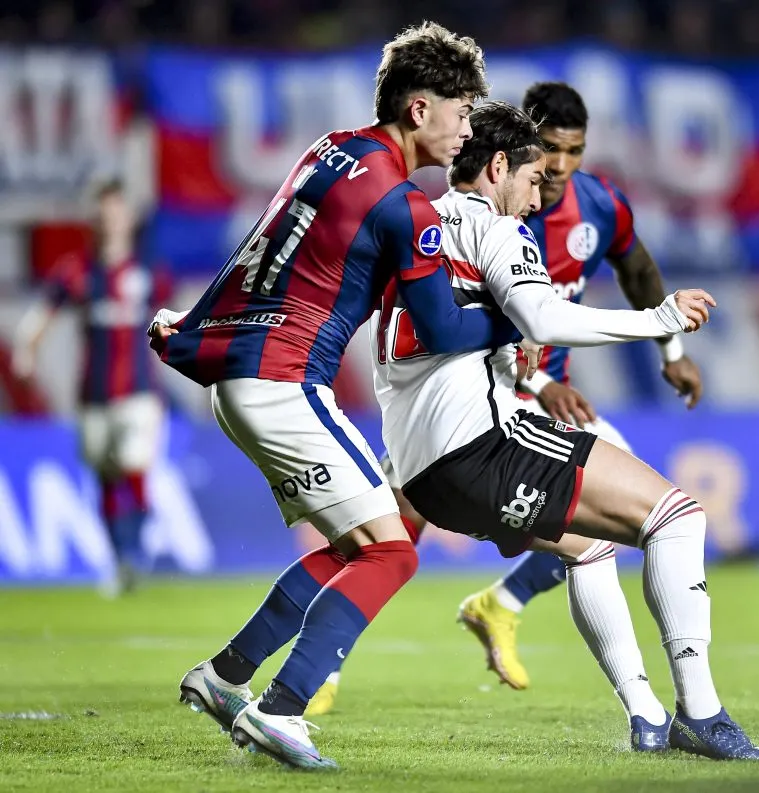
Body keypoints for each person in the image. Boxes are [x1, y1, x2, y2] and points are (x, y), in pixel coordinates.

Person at [148, 22, 514, 769]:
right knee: (393, 552)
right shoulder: (404, 206)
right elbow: (443, 328)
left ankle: (225, 676)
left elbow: (263, 247)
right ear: (419, 109)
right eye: (461, 112)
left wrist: (197, 324)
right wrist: (518, 316)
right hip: (283, 381)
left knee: (357, 545)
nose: (467, 130)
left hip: (242, 375)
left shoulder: (329, 150)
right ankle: (282, 711)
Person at [371, 100, 759, 760]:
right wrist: (659, 321)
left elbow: (445, 330)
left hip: (421, 474)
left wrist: (508, 349)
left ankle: (646, 715)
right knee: (678, 518)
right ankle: (702, 715)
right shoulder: (499, 228)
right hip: (482, 447)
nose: (537, 198)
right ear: (498, 167)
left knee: (587, 548)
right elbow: (546, 317)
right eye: (532, 178)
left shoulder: (417, 224)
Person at [454, 81, 706, 691]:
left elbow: (638, 270)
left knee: (621, 514)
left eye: (575, 150)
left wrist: (672, 352)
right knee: (391, 528)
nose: (561, 166)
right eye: (550, 150)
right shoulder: (499, 215)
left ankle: (502, 606)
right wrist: (541, 381)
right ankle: (323, 664)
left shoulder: (598, 205)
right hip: (483, 391)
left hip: (546, 394)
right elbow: (491, 318)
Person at [14, 179, 168, 596]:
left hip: (140, 392)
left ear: (128, 218)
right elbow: (44, 312)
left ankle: (135, 552)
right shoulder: (78, 271)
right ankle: (120, 561)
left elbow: (183, 317)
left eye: (116, 212)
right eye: (103, 214)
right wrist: (27, 349)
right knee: (105, 475)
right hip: (93, 394)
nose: (110, 221)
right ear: (93, 221)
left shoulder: (149, 272)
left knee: (134, 462)